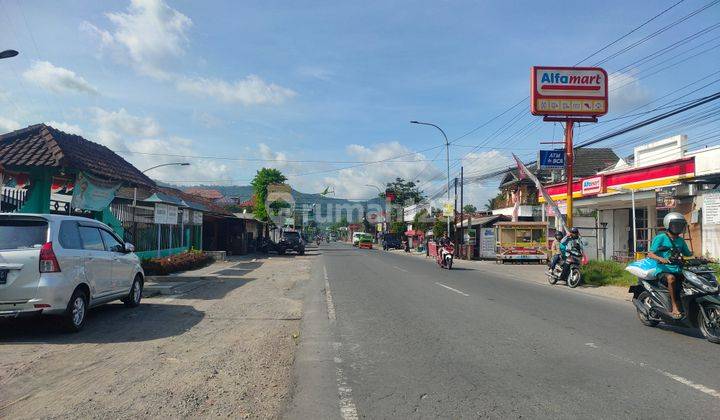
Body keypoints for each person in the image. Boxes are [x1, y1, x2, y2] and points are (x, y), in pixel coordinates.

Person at [647, 212, 692, 319]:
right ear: (668, 225)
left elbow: (688, 254)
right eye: (676, 225)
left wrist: (703, 258)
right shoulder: (660, 238)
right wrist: (660, 258)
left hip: (678, 269)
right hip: (663, 270)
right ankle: (674, 306)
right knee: (671, 279)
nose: (678, 227)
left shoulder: (681, 240)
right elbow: (650, 253)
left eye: (680, 225)